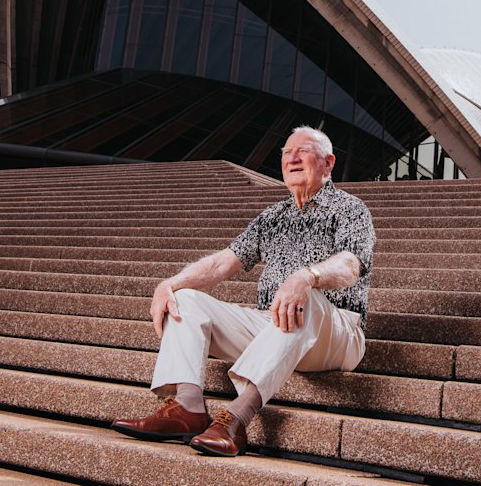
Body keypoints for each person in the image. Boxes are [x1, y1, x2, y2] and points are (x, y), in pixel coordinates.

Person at [111, 125, 375, 458]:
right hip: (276, 326)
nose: (292, 158)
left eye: (303, 151)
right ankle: (187, 407)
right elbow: (221, 264)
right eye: (286, 153)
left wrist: (308, 276)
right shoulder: (272, 216)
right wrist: (171, 283)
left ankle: (236, 418)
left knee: (302, 298)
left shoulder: (350, 209)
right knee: (186, 299)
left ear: (328, 162)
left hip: (337, 334)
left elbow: (351, 264)